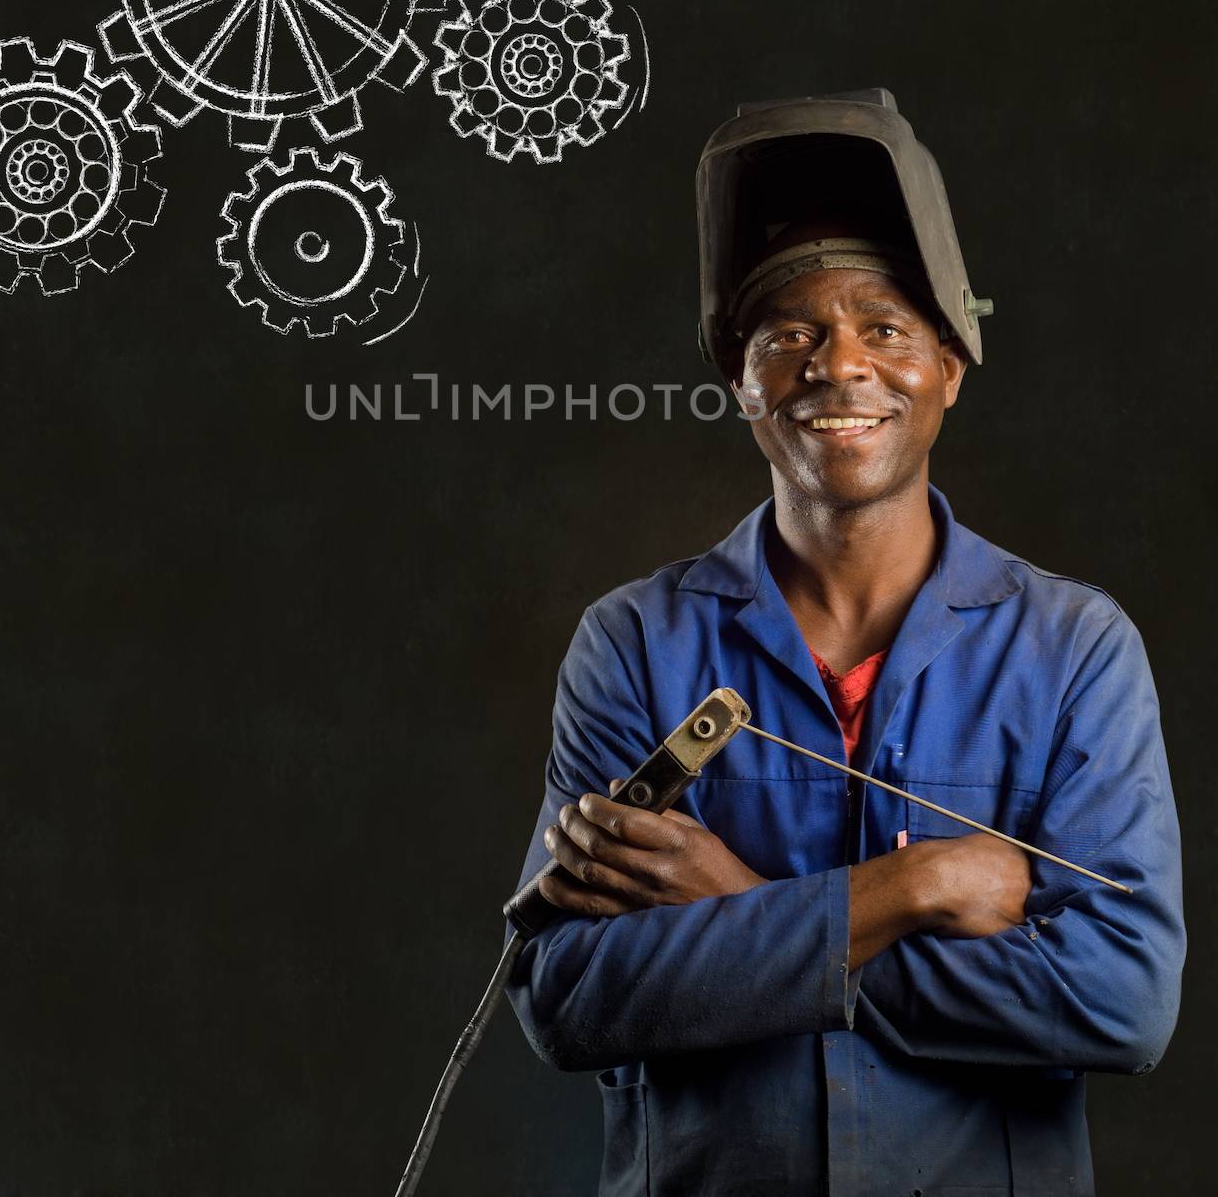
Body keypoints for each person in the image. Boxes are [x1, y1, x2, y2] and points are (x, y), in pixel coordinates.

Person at [504, 91, 1185, 1197]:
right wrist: (909, 888)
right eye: (790, 334)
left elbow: (1120, 997)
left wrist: (734, 906)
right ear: (742, 379)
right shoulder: (634, 643)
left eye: (885, 327)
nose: (839, 364)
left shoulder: (1073, 649)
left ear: (950, 366)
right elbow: (570, 991)